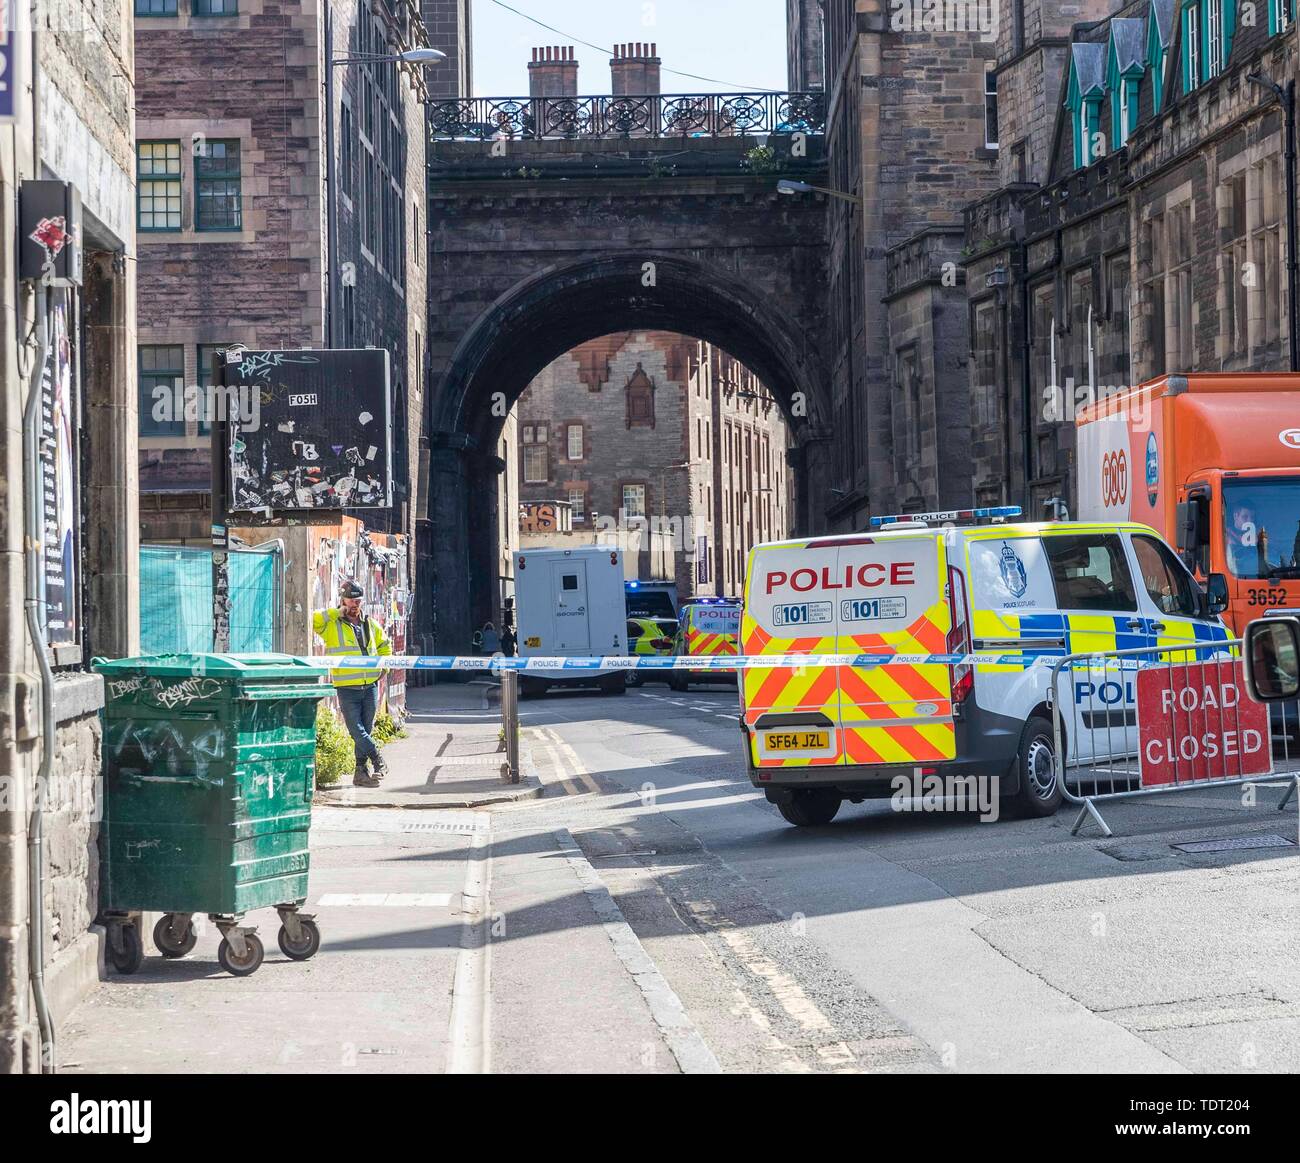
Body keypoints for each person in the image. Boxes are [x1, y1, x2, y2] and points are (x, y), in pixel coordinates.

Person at [313, 581, 393, 787]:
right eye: (351, 600)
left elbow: (385, 646)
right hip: (347, 687)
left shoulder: (369, 623)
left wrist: (384, 668)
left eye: (358, 600)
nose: (354, 604)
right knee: (356, 730)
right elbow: (313, 621)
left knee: (366, 729)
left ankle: (360, 772)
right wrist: (336, 612)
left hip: (370, 686)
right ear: (343, 601)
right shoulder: (332, 624)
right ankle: (378, 759)